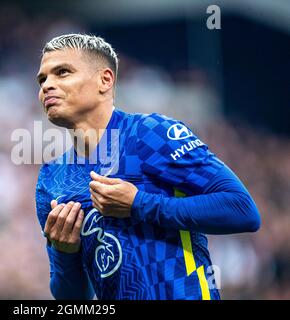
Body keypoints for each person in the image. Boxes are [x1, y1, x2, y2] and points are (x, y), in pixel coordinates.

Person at [34, 34, 261, 300]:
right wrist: (65, 254)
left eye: (62, 72)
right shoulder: (51, 180)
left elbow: (242, 209)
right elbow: (72, 299)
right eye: (42, 79)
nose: (47, 85)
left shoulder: (150, 134)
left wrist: (139, 204)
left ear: (104, 80)